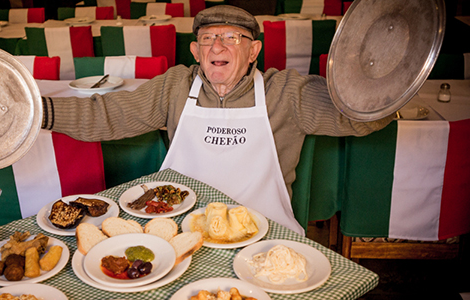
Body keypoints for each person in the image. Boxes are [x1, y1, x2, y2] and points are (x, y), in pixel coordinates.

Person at [40, 5, 393, 235]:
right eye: (207, 39)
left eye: (231, 38)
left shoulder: (287, 92)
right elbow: (106, 114)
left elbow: (357, 117)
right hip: (181, 230)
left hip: (263, 233)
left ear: (253, 50)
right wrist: (39, 112)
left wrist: (391, 81)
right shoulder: (175, 86)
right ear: (195, 51)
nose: (217, 47)